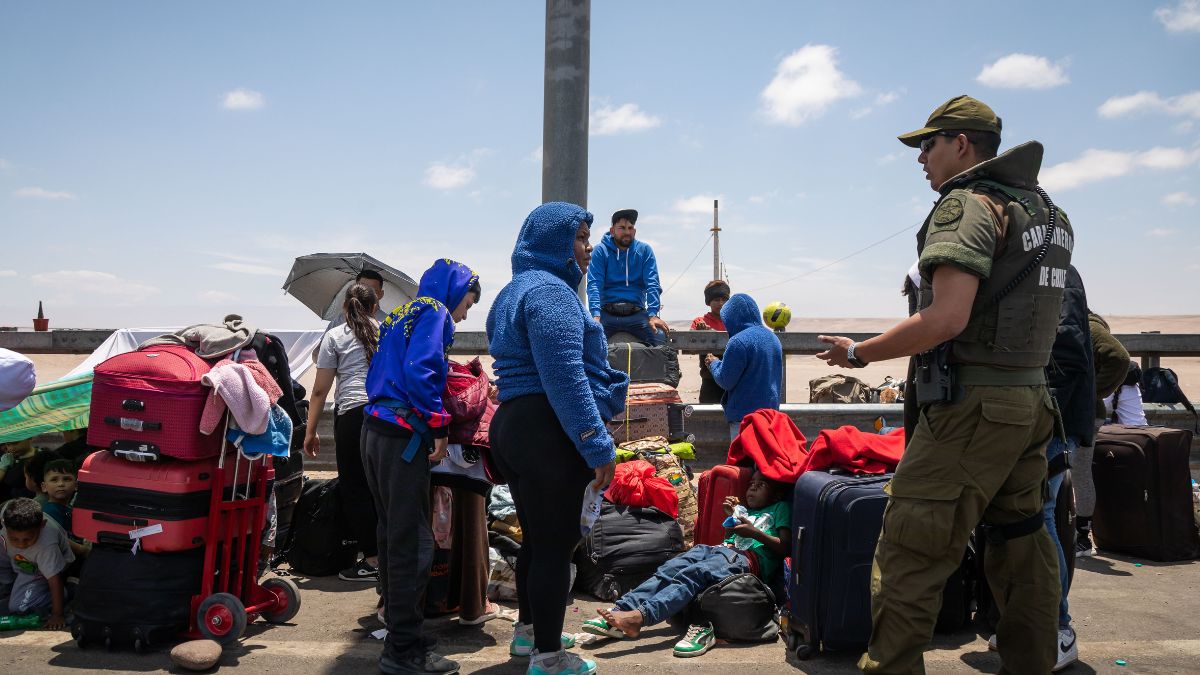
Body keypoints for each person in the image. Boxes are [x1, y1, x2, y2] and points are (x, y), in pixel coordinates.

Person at [816, 95, 1073, 674]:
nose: (921, 159)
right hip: (1029, 405)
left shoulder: (968, 206)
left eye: (928, 145)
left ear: (961, 144)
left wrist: (858, 353)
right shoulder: (1046, 212)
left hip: (971, 412)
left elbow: (946, 318)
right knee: (1023, 546)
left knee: (910, 551)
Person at [488, 202, 629, 675]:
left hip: (514, 424)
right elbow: (565, 377)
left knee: (537, 540)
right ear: (554, 243)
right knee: (555, 545)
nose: (589, 249)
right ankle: (549, 658)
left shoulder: (512, 291)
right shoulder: (551, 293)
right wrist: (596, 444)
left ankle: (530, 635)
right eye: (581, 239)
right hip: (547, 427)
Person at [361, 258, 481, 675]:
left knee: (393, 538)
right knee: (413, 545)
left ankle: (402, 634)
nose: (463, 314)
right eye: (467, 302)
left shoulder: (399, 313)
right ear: (454, 291)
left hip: (374, 432)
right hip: (403, 440)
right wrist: (439, 425)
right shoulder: (435, 311)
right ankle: (403, 651)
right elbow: (422, 371)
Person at [580, 470, 790, 658]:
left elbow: (784, 547)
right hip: (720, 550)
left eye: (760, 485)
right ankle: (622, 608)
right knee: (670, 568)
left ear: (776, 494)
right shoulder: (743, 510)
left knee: (695, 573)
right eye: (751, 483)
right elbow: (730, 538)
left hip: (747, 558)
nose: (752, 487)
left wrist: (754, 533)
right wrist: (732, 519)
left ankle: (639, 618)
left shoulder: (780, 508)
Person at [1021, 263, 1093, 670]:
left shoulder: (1053, 270)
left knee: (1041, 518)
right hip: (1045, 417)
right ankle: (1029, 624)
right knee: (1023, 518)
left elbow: (1065, 347)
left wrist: (1040, 411)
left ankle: (1058, 629)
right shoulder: (1046, 266)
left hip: (1050, 420)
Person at [304, 283, 381, 583]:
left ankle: (373, 560)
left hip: (352, 416)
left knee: (356, 487)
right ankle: (389, 554)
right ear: (374, 307)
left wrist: (310, 432)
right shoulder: (387, 333)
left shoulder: (335, 337)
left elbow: (320, 390)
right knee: (382, 486)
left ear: (346, 309)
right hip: (386, 416)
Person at [1072, 311, 1133, 558]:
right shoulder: (1082, 324)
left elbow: (1119, 358)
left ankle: (1082, 538)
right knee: (1077, 473)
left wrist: (1090, 392)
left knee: (1079, 472)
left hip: (1082, 412)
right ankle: (1078, 536)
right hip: (1078, 411)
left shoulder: (1088, 326)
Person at [703, 293, 783, 440]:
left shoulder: (738, 342)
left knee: (743, 461)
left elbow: (726, 380)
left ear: (731, 318)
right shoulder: (773, 338)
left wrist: (714, 363)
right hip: (770, 415)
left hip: (744, 419)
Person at [586, 208, 670, 346]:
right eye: (622, 228)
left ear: (635, 231)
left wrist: (653, 314)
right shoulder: (600, 251)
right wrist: (595, 316)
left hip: (636, 314)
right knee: (589, 340)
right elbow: (594, 284)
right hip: (607, 314)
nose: (627, 232)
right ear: (612, 231)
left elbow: (652, 283)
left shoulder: (644, 250)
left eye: (630, 228)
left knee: (660, 337)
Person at [0, 497, 74, 629]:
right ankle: (8, 586)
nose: (21, 544)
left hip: (43, 568)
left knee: (18, 607)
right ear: (4, 523)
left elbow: (54, 579)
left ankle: (67, 591)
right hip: (22, 562)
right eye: (14, 539)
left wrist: (57, 615)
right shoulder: (8, 513)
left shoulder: (46, 546)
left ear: (42, 525)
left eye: (27, 539)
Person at [690, 281, 730, 404]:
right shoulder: (700, 322)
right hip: (710, 380)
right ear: (709, 302)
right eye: (716, 300)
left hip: (732, 378)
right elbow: (690, 347)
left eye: (724, 299)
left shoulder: (734, 321)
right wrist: (699, 334)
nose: (721, 303)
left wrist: (712, 333)